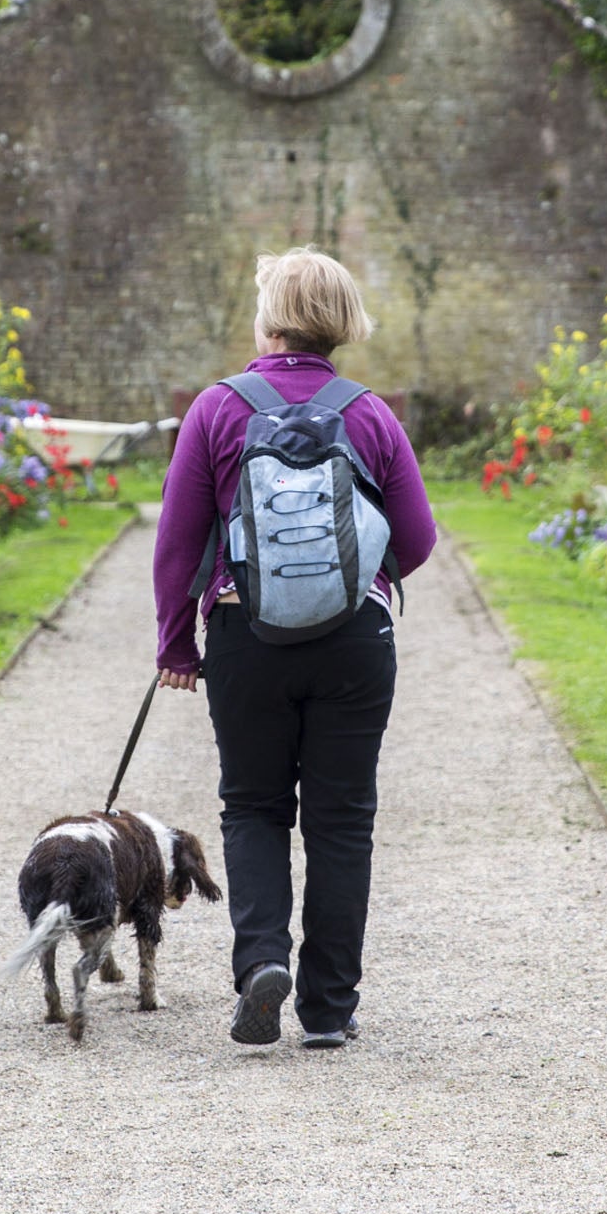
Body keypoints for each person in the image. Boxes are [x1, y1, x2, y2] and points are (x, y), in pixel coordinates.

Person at [154, 246, 437, 1050]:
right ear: (342, 321)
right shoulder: (370, 412)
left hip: (247, 636)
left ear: (268, 315)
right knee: (343, 822)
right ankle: (329, 1007)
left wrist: (178, 642)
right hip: (355, 640)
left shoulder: (217, 409)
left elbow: (177, 544)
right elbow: (415, 540)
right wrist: (355, 575)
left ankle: (261, 965)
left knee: (253, 806)